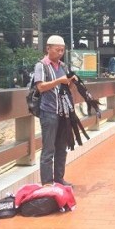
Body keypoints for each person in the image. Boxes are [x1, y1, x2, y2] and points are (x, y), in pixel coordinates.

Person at [33, 35, 77, 187]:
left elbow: (68, 90)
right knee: (48, 149)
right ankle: (46, 182)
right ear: (48, 49)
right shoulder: (41, 66)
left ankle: (59, 179)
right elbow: (40, 87)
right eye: (57, 50)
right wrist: (59, 81)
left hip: (63, 113)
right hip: (48, 112)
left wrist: (71, 82)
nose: (60, 53)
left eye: (62, 50)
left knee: (61, 148)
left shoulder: (63, 67)